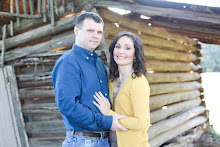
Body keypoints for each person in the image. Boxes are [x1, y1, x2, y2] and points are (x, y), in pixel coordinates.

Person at [51, 12, 127, 147]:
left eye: (99, 32)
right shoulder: (68, 62)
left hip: (104, 140)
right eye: (90, 30)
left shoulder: (99, 64)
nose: (95, 36)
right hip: (82, 142)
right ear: (76, 31)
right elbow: (68, 106)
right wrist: (107, 121)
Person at [93, 31, 150, 147]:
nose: (121, 51)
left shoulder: (138, 82)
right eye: (118, 47)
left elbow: (141, 122)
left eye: (127, 48)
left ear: (135, 55)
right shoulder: (113, 81)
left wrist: (108, 113)